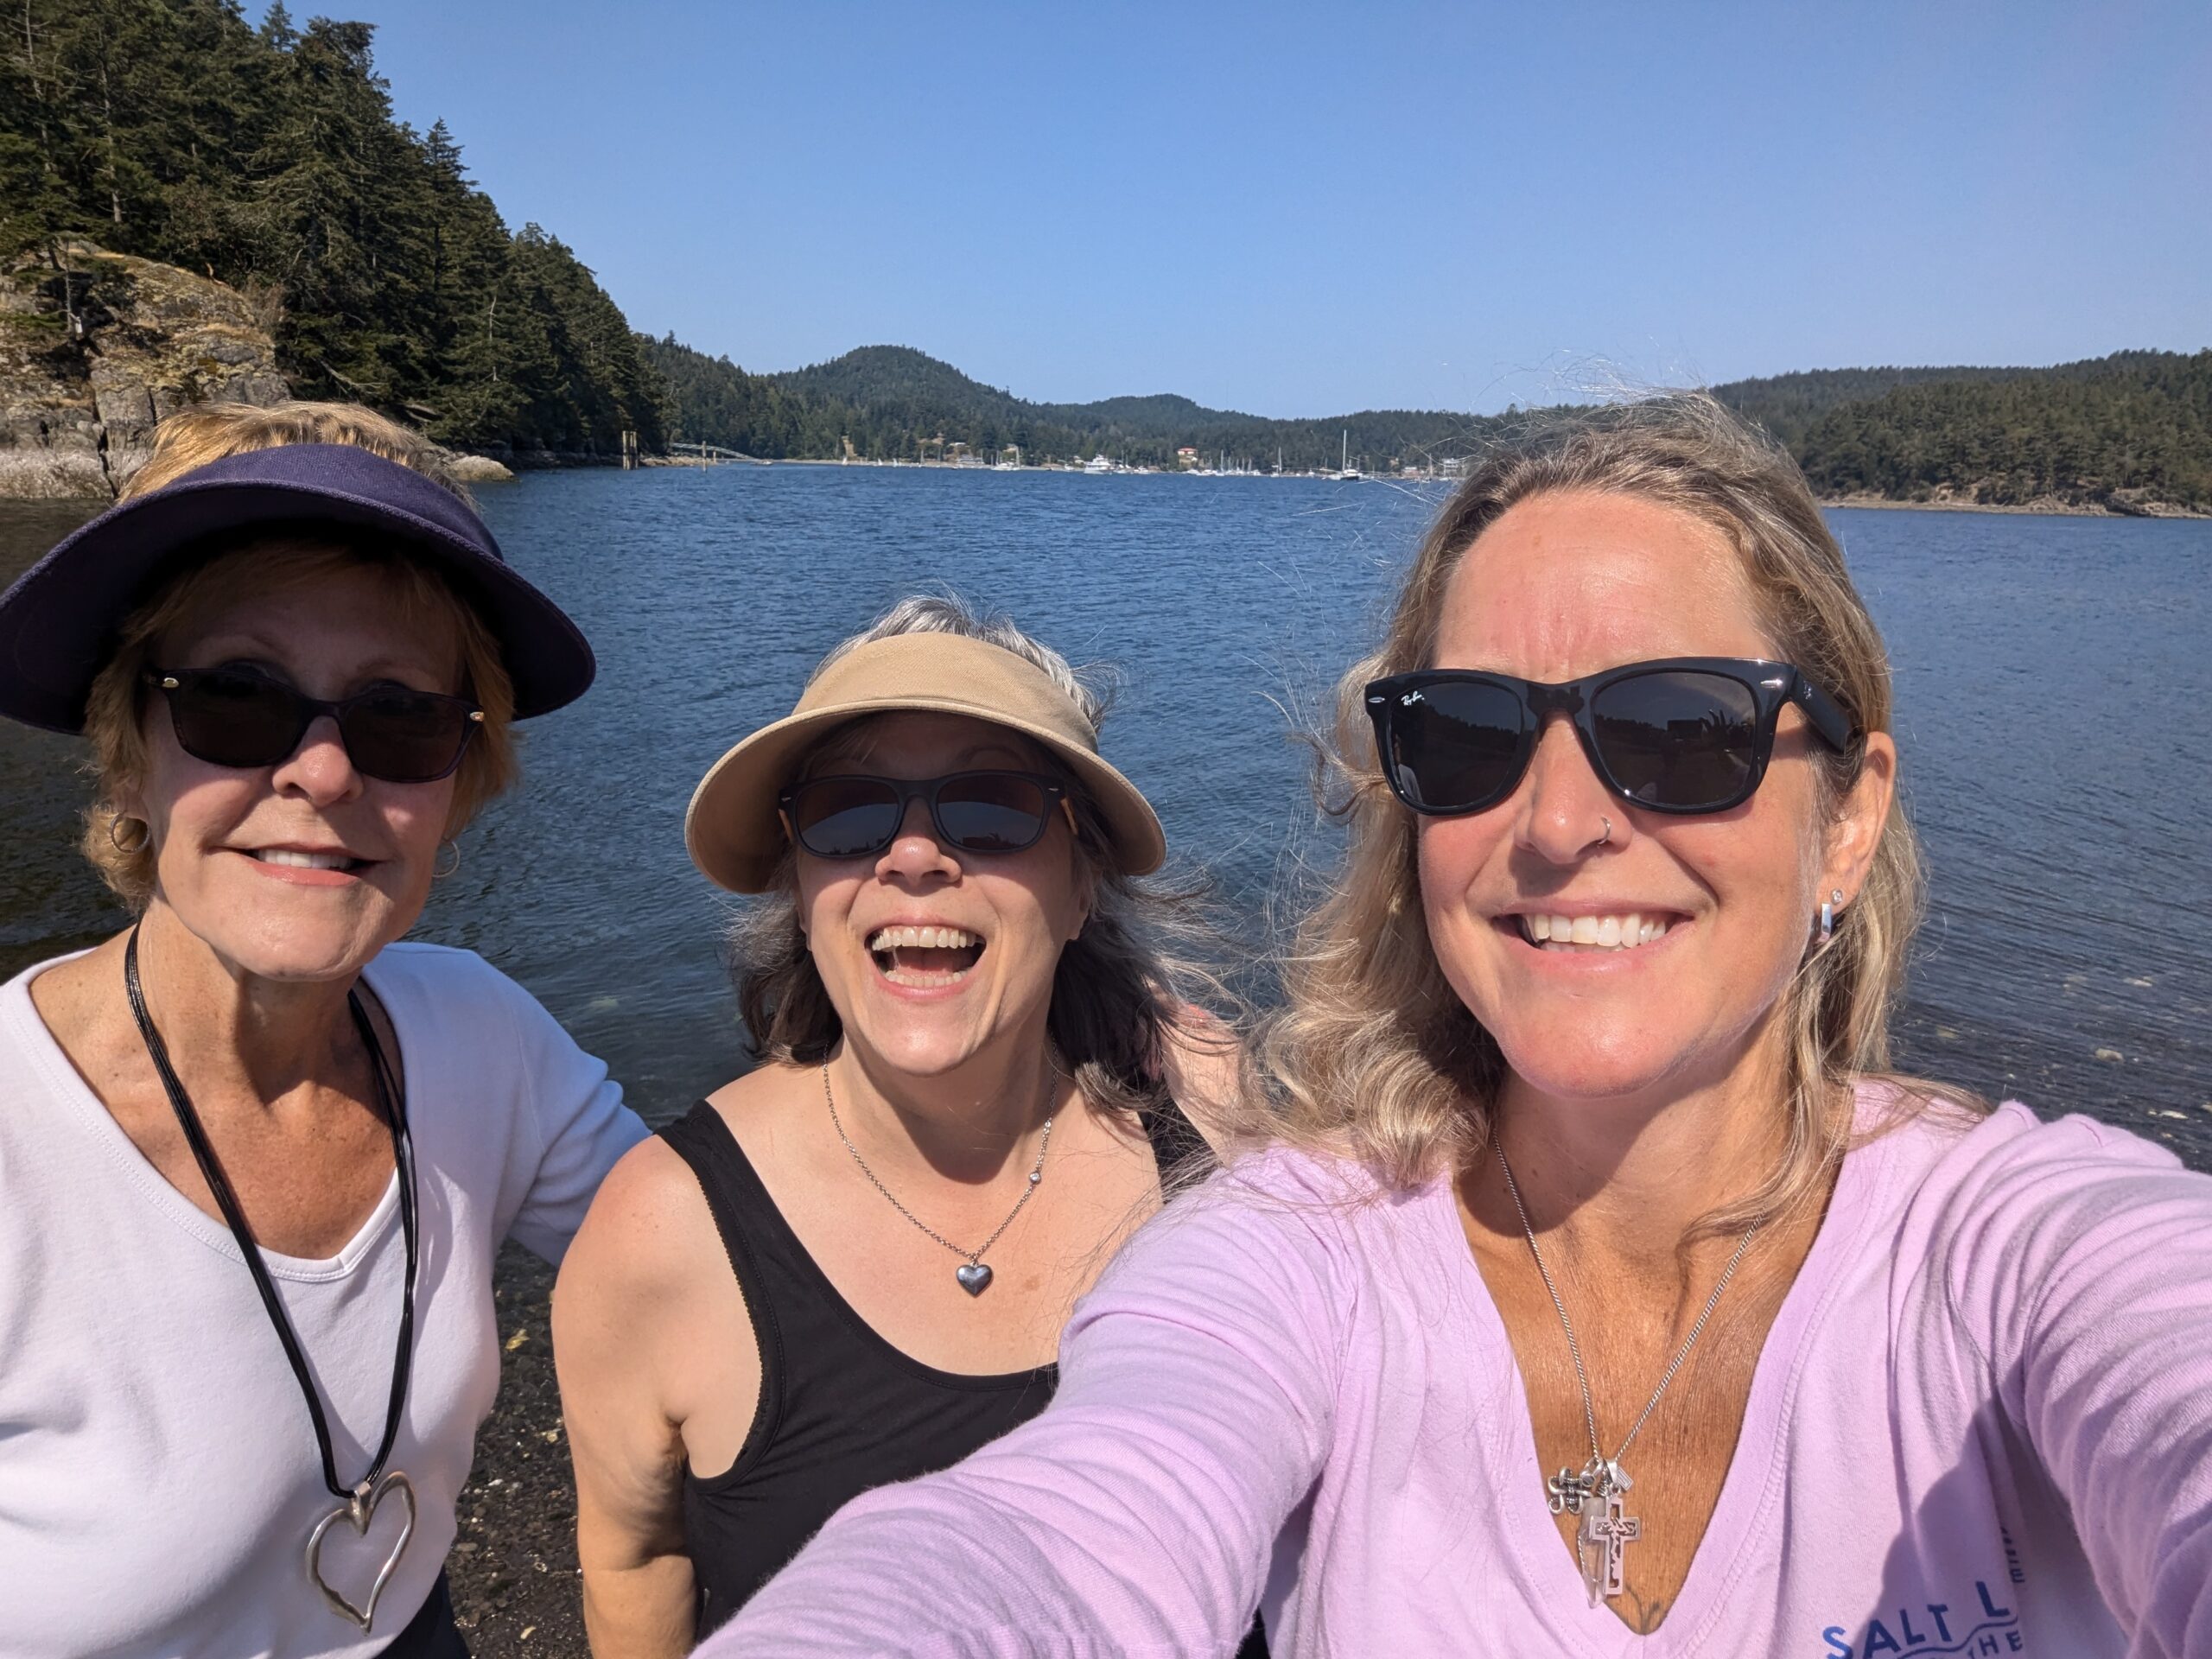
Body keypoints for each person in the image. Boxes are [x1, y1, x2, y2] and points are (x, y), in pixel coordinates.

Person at [693, 396, 2212, 1656]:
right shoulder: (1297, 1253)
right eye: (1471, 736)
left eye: (1680, 729)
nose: (1555, 824)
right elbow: (1063, 1536)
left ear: (1845, 818)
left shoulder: (2016, 1250)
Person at [0, 403, 648, 1659]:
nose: (326, 773)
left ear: (459, 785)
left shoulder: (480, 1035)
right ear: (128, 751)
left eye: (400, 716)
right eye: (237, 698)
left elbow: (726, 1262)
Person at [552, 597, 1265, 1656]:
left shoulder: (1211, 1125)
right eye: (847, 813)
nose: (915, 855)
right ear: (799, 887)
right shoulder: (663, 1231)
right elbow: (633, 1559)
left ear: (1080, 891)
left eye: (991, 806)